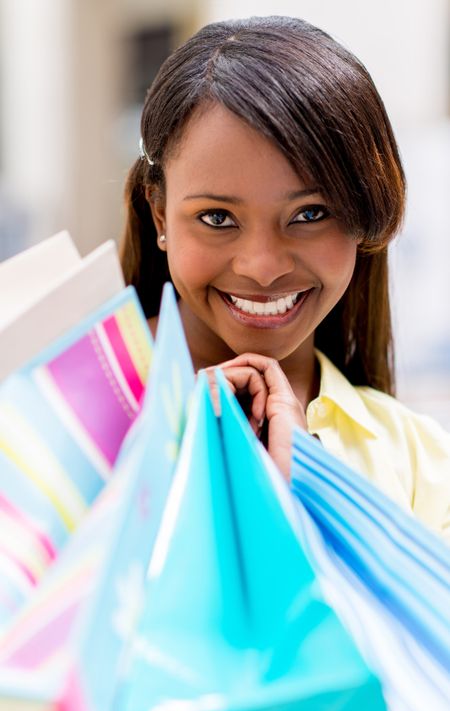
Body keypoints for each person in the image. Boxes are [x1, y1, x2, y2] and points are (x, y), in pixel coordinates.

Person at [120, 15, 450, 540]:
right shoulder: (62, 410)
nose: (264, 265)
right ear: (160, 216)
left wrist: (309, 496)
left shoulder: (418, 461)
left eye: (311, 213)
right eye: (217, 218)